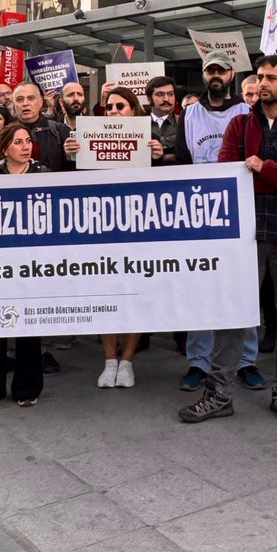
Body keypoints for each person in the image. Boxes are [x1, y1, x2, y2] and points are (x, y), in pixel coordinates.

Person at [180, 55, 277, 425]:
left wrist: (265, 167)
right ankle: (219, 393)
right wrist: (275, 175)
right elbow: (229, 174)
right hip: (246, 238)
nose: (263, 83)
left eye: (271, 78)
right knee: (233, 314)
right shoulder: (240, 126)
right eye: (259, 77)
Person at [174, 52, 264, 392]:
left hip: (240, 211)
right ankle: (199, 361)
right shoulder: (190, 114)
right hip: (201, 212)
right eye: (210, 70)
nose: (216, 76)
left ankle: (245, 361)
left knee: (243, 289)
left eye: (222, 70)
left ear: (231, 74)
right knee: (202, 288)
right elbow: (182, 160)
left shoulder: (247, 113)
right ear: (204, 73)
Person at [0, 122, 46, 407]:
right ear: (5, 147)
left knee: (29, 324)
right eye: (18, 142)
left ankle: (27, 388)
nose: (26, 146)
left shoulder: (43, 174)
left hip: (31, 261)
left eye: (28, 140)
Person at [96, 87, 150, 388]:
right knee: (106, 295)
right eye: (110, 107)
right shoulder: (91, 139)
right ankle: (109, 360)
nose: (114, 111)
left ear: (133, 110)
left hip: (138, 229)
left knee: (134, 296)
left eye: (121, 106)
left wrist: (160, 157)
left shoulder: (148, 139)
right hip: (104, 230)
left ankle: (127, 361)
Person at [13, 82, 78, 173]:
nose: (25, 103)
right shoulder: (5, 134)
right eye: (20, 99)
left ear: (40, 102)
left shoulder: (59, 130)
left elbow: (74, 172)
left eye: (31, 98)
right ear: (14, 104)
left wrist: (70, 157)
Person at [146, 76, 178, 165]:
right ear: (149, 99)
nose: (166, 99)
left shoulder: (184, 122)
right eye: (160, 94)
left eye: (171, 94)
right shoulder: (139, 126)